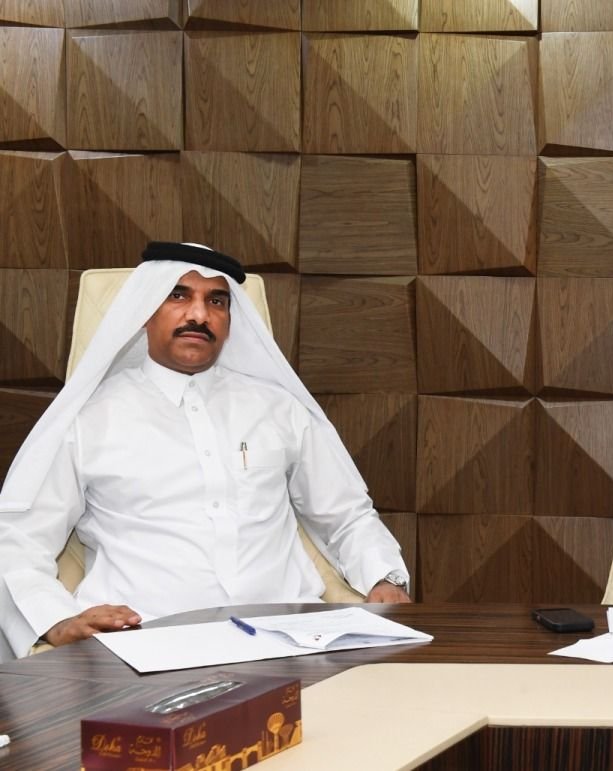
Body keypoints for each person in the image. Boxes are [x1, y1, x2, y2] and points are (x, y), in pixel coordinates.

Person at [0, 242, 411, 660]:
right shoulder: (88, 419)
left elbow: (346, 514)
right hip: (144, 648)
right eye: (178, 295)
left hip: (290, 643)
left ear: (230, 321)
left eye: (217, 301)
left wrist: (385, 578)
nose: (198, 314)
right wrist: (56, 620)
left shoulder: (279, 409)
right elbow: (18, 539)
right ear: (145, 311)